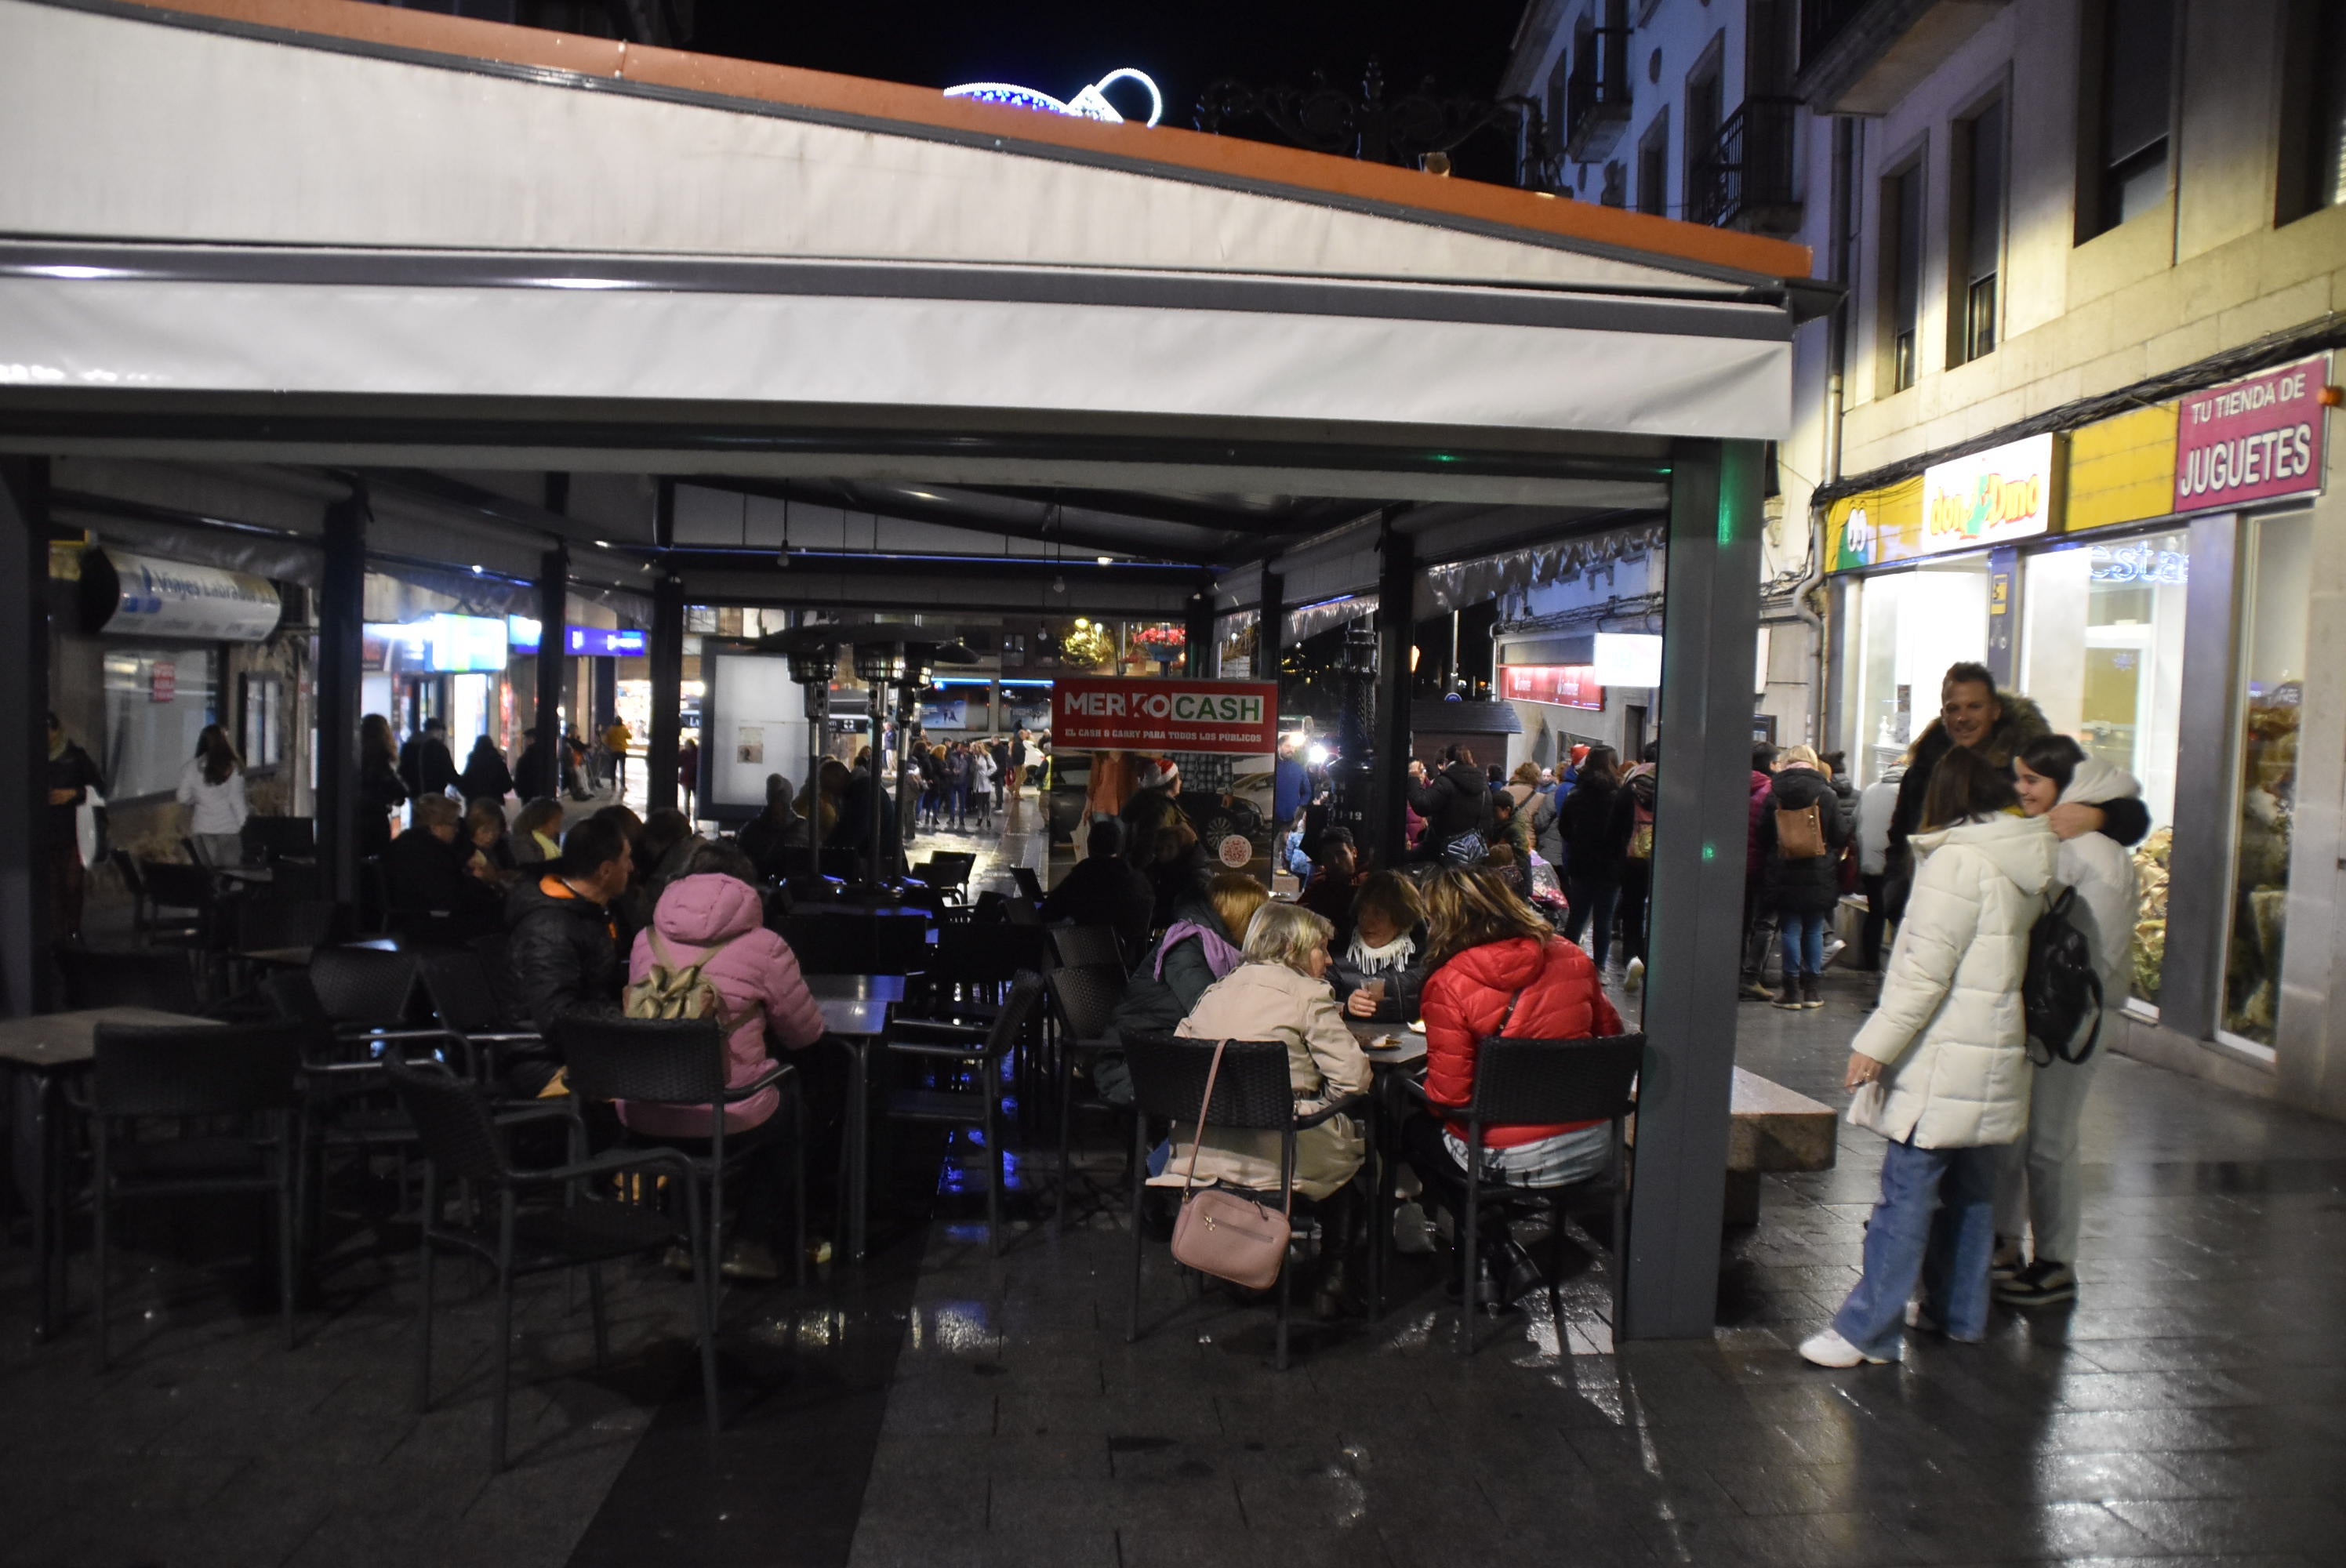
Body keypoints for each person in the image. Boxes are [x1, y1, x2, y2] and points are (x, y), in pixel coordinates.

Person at [1799, 748, 2055, 1367]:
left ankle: (1867, 1330)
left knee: (1905, 1195)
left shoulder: (1960, 863)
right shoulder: (2020, 858)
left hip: (1943, 1055)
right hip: (1991, 1050)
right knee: (1970, 1192)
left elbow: (1923, 973)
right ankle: (1958, 1314)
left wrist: (1875, 1046)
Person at [1409, 866, 1625, 1306]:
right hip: (1592, 1147)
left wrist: (1423, 1088)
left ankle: (1493, 1241)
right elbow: (1612, 1037)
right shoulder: (1571, 956)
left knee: (1412, 1133)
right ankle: (1494, 1251)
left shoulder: (1448, 984)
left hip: (1512, 1160)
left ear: (1445, 921)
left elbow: (1450, 1100)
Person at [625, 840, 829, 1279]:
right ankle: (751, 1243)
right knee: (792, 1109)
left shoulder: (647, 939)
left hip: (644, 1107)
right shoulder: (766, 946)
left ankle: (684, 1240)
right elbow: (805, 1034)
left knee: (688, 1104)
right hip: (725, 1113)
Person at [1160, 901, 1371, 1319]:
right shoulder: (1309, 996)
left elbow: (1180, 1063)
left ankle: (1243, 1274)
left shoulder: (1212, 995)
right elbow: (1355, 1080)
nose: (1329, 960)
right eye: (1322, 949)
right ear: (1294, 946)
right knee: (1357, 1162)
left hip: (1201, 1158)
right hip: (1283, 1158)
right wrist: (1314, 1106)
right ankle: (1333, 1279)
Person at [1994, 736, 2139, 1309]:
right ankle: (2010, 1245)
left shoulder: (2095, 854)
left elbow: (2092, 958)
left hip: (2070, 1020)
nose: (2022, 791)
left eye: (2033, 781)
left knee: (2049, 1139)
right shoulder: (2057, 841)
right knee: (2022, 1135)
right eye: (2019, 778)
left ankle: (2055, 1262)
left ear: (2067, 788)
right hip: (2046, 1014)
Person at [1884, 662, 2146, 920]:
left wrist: (2099, 817)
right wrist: (1897, 900)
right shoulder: (1926, 768)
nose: (1963, 718)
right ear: (1944, 714)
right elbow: (1900, 839)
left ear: (1995, 710)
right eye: (1954, 709)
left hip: (2007, 920)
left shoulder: (2032, 762)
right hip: (1929, 913)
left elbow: (2134, 818)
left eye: (1975, 706)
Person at [1101, 871, 1269, 1104]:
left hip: (1172, 1049)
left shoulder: (1222, 948)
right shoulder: (1185, 946)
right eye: (1257, 917)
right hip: (1137, 1061)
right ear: (1239, 915)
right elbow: (1207, 1010)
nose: (1262, 927)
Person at [503, 812, 633, 1095]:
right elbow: (557, 1016)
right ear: (606, 870)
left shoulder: (590, 912)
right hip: (544, 1063)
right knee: (658, 1085)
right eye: (627, 860)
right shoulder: (550, 928)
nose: (632, 868)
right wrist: (631, 1011)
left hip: (582, 1050)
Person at [1759, 746, 1850, 1011]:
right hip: (1819, 870)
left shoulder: (1774, 792)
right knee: (1812, 928)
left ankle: (1791, 991)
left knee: (1789, 929)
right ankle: (1812, 991)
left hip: (1784, 868)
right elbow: (1839, 833)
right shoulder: (1826, 793)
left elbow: (1763, 833)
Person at [381, 794, 503, 941]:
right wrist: (478, 881)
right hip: (429, 924)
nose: (456, 830)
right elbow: (450, 896)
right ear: (437, 826)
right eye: (452, 824)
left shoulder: (411, 845)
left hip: (413, 919)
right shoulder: (431, 853)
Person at [1039, 818, 1155, 964]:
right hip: (1130, 963)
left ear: (1090, 846)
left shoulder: (1083, 876)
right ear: (1119, 848)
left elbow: (1049, 912)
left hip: (1085, 964)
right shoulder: (1137, 879)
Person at [1557, 746, 1625, 971]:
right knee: (1603, 920)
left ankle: (1565, 964)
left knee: (1577, 916)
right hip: (1611, 866)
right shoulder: (1618, 795)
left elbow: (1564, 827)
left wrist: (1578, 843)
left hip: (1582, 863)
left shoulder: (1577, 792)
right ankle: (1599, 967)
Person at [1330, 869, 1428, 1024]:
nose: (1367, 922)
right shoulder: (1336, 960)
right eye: (1363, 912)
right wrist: (1346, 1006)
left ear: (1401, 919)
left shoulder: (1428, 958)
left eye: (1378, 914)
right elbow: (1318, 1010)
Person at [47, 711, 104, 941]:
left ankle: (73, 929)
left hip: (74, 830)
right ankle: (59, 932)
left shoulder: (75, 756)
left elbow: (98, 786)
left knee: (72, 884)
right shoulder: (33, 757)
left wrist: (74, 793)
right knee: (53, 886)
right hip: (48, 830)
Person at [1610, 741, 1660, 990]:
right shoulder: (1673, 784)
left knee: (1633, 908)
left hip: (1633, 856)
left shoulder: (1631, 785)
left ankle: (1633, 956)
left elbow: (1615, 823)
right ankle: (1656, 957)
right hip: (1664, 858)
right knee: (1659, 911)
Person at [1854, 761, 1905, 972]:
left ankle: (1871, 964)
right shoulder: (1903, 792)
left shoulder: (1870, 790)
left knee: (1875, 913)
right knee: (1897, 915)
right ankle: (1897, 966)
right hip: (1893, 863)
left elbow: (1855, 818)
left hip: (1869, 861)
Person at [176, 724, 249, 867]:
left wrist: (197, 799)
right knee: (232, 875)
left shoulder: (190, 768)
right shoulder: (233, 768)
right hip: (229, 830)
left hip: (202, 829)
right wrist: (245, 825)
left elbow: (182, 797)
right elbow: (236, 800)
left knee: (210, 877)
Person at [1405, 746, 1493, 863]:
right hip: (1471, 852)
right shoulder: (1484, 788)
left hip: (1441, 850)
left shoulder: (1446, 782)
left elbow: (1423, 805)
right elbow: (1488, 821)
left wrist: (1414, 779)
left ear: (1447, 761)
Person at [1143, 820, 1212, 931]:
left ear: (1182, 848)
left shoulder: (1195, 875)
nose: (1163, 853)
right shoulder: (1159, 869)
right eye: (1159, 849)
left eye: (1170, 848)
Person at [735, 773, 804, 882]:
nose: (777, 809)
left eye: (781, 804)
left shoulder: (751, 829)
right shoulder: (803, 828)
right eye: (775, 802)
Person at [358, 713, 408, 861]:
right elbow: (400, 792)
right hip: (377, 821)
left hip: (358, 820)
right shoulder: (382, 759)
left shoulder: (355, 758)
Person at [1295, 829, 1362, 936]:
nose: (1335, 861)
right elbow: (1299, 913)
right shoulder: (1318, 885)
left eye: (1341, 854)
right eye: (1328, 856)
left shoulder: (1367, 884)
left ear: (1353, 852)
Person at [398, 716, 460, 802]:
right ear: (437, 731)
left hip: (414, 795)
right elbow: (449, 773)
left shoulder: (408, 747)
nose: (441, 736)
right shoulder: (438, 748)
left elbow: (401, 770)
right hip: (434, 796)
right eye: (441, 733)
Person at [465, 798, 519, 881]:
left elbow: (514, 870)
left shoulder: (502, 845)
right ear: (473, 828)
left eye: (495, 830)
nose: (491, 836)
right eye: (485, 831)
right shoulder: (465, 852)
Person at [459, 732, 515, 802]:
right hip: (495, 803)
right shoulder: (499, 762)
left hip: (476, 803)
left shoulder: (473, 763)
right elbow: (508, 786)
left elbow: (465, 784)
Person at [511, 797, 565, 865]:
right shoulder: (524, 845)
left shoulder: (544, 842)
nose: (557, 829)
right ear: (539, 824)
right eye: (555, 824)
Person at [601, 715, 632, 793]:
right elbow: (630, 737)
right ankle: (623, 786)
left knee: (613, 768)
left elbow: (606, 741)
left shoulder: (611, 729)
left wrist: (608, 747)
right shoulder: (624, 729)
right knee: (622, 769)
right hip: (622, 751)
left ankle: (613, 785)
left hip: (613, 751)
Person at [677, 735, 700, 817]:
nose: (686, 747)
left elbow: (678, 763)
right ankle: (690, 815)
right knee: (691, 798)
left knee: (689, 798)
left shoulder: (684, 753)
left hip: (688, 779)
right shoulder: (697, 753)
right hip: (691, 779)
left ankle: (690, 815)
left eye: (687, 745)